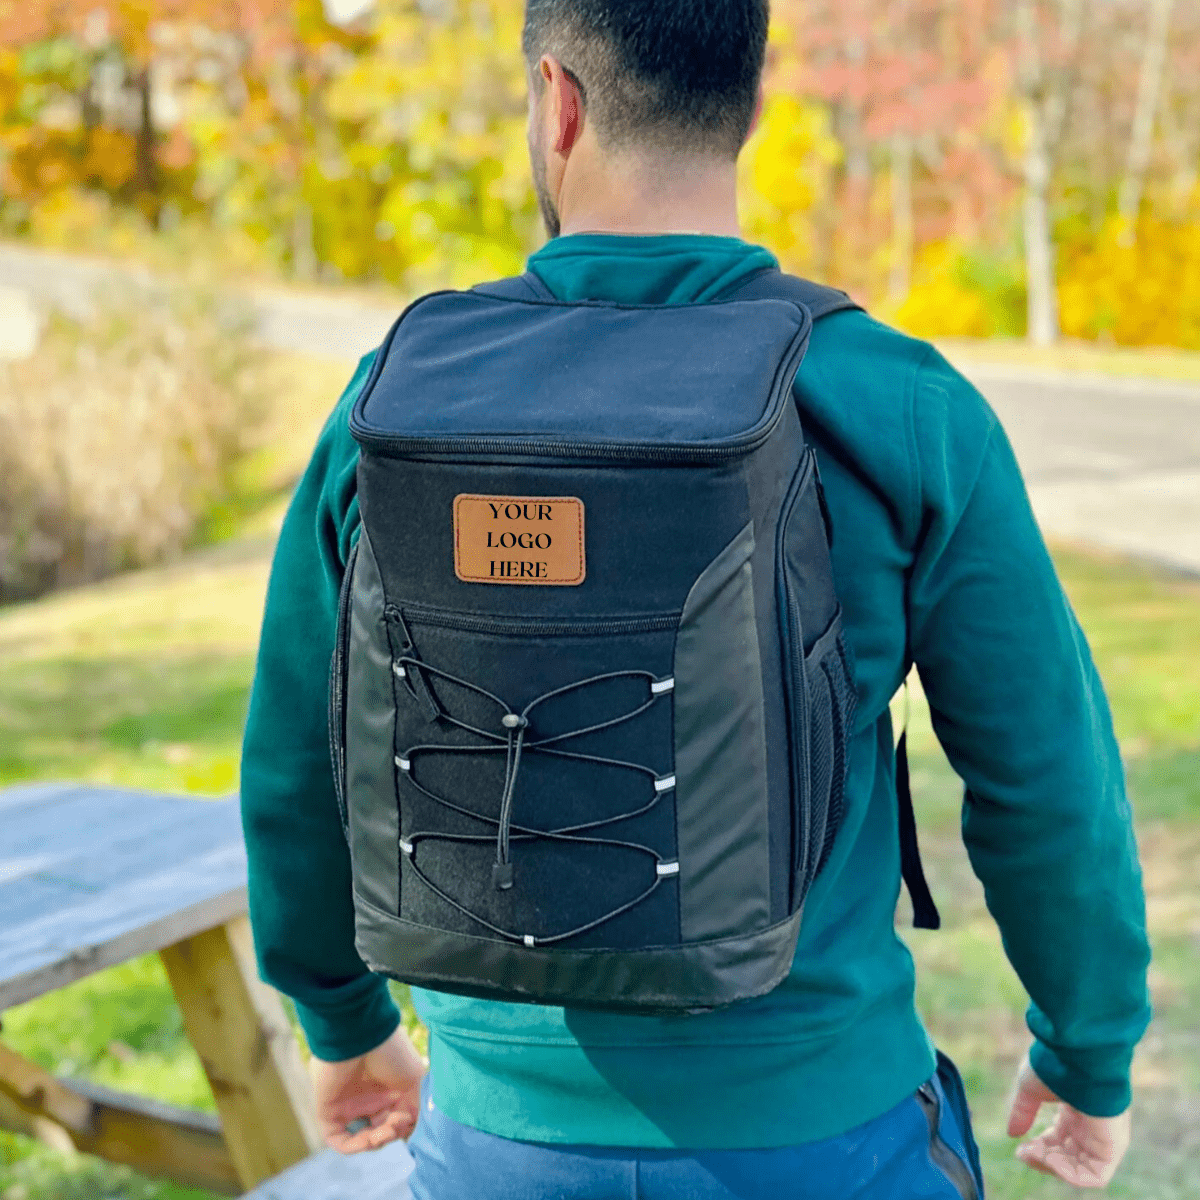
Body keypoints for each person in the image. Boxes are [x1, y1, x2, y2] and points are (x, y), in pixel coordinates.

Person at [240, 1, 1152, 1195]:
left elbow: (300, 753)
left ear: (557, 102)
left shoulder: (392, 403)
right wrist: (1087, 1052)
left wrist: (345, 1024)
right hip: (824, 1133)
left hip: (498, 1147)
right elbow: (1045, 776)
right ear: (751, 106)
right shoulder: (896, 400)